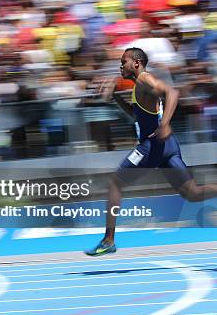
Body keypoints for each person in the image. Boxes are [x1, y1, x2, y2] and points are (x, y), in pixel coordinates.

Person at [86, 47, 217, 256]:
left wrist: (165, 123)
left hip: (152, 146)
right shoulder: (139, 85)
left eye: (124, 61)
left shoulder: (145, 80)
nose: (121, 65)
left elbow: (172, 92)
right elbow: (139, 116)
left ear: (136, 63)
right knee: (192, 193)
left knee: (115, 184)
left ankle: (108, 240)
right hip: (167, 147)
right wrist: (117, 100)